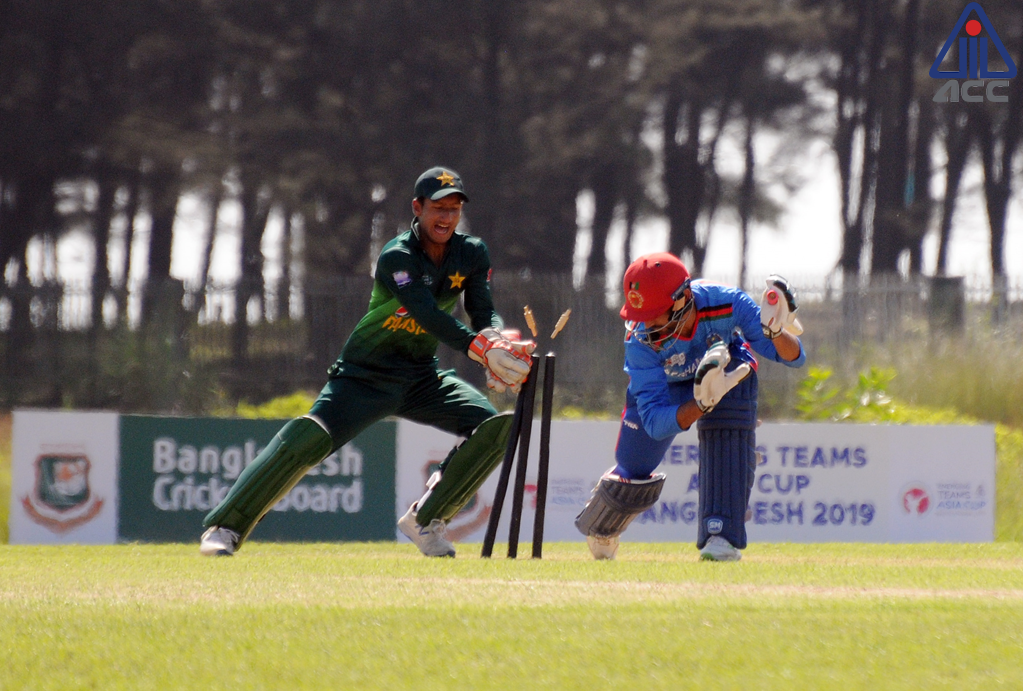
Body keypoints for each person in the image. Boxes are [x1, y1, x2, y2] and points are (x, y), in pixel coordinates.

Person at [200, 166, 535, 558]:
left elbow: (482, 309)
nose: (446, 217)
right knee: (307, 438)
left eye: (454, 208)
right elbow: (427, 313)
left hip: (421, 377)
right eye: (438, 208)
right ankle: (225, 527)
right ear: (418, 207)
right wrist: (480, 349)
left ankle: (426, 520)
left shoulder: (472, 252)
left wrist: (495, 337)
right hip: (365, 375)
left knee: (496, 428)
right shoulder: (397, 256)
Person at [574, 252, 805, 561]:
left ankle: (720, 537)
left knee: (735, 388)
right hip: (670, 388)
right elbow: (655, 422)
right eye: (642, 315)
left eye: (657, 313)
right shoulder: (639, 339)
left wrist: (777, 332)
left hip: (722, 371)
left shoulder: (728, 302)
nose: (648, 324)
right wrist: (701, 403)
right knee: (634, 469)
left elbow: (794, 358)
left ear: (683, 298)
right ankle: (604, 524)